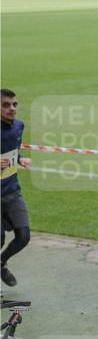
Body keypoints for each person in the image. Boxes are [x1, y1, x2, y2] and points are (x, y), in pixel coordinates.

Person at [1, 89, 31, 288]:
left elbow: (13, 152)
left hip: (12, 191)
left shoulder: (19, 126)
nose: (12, 109)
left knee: (24, 236)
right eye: (5, 105)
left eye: (14, 104)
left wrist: (20, 159)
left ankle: (1, 263)